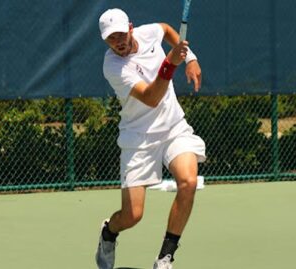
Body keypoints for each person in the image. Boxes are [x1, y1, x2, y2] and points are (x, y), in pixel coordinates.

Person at [96, 8, 206, 269]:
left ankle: (165, 257)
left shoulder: (147, 33)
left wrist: (189, 57)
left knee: (188, 182)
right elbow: (151, 97)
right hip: (138, 137)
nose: (118, 42)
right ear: (105, 41)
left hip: (172, 128)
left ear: (131, 28)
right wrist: (170, 64)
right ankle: (108, 232)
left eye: (122, 34)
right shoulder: (113, 66)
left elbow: (167, 29)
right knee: (132, 215)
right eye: (111, 38)